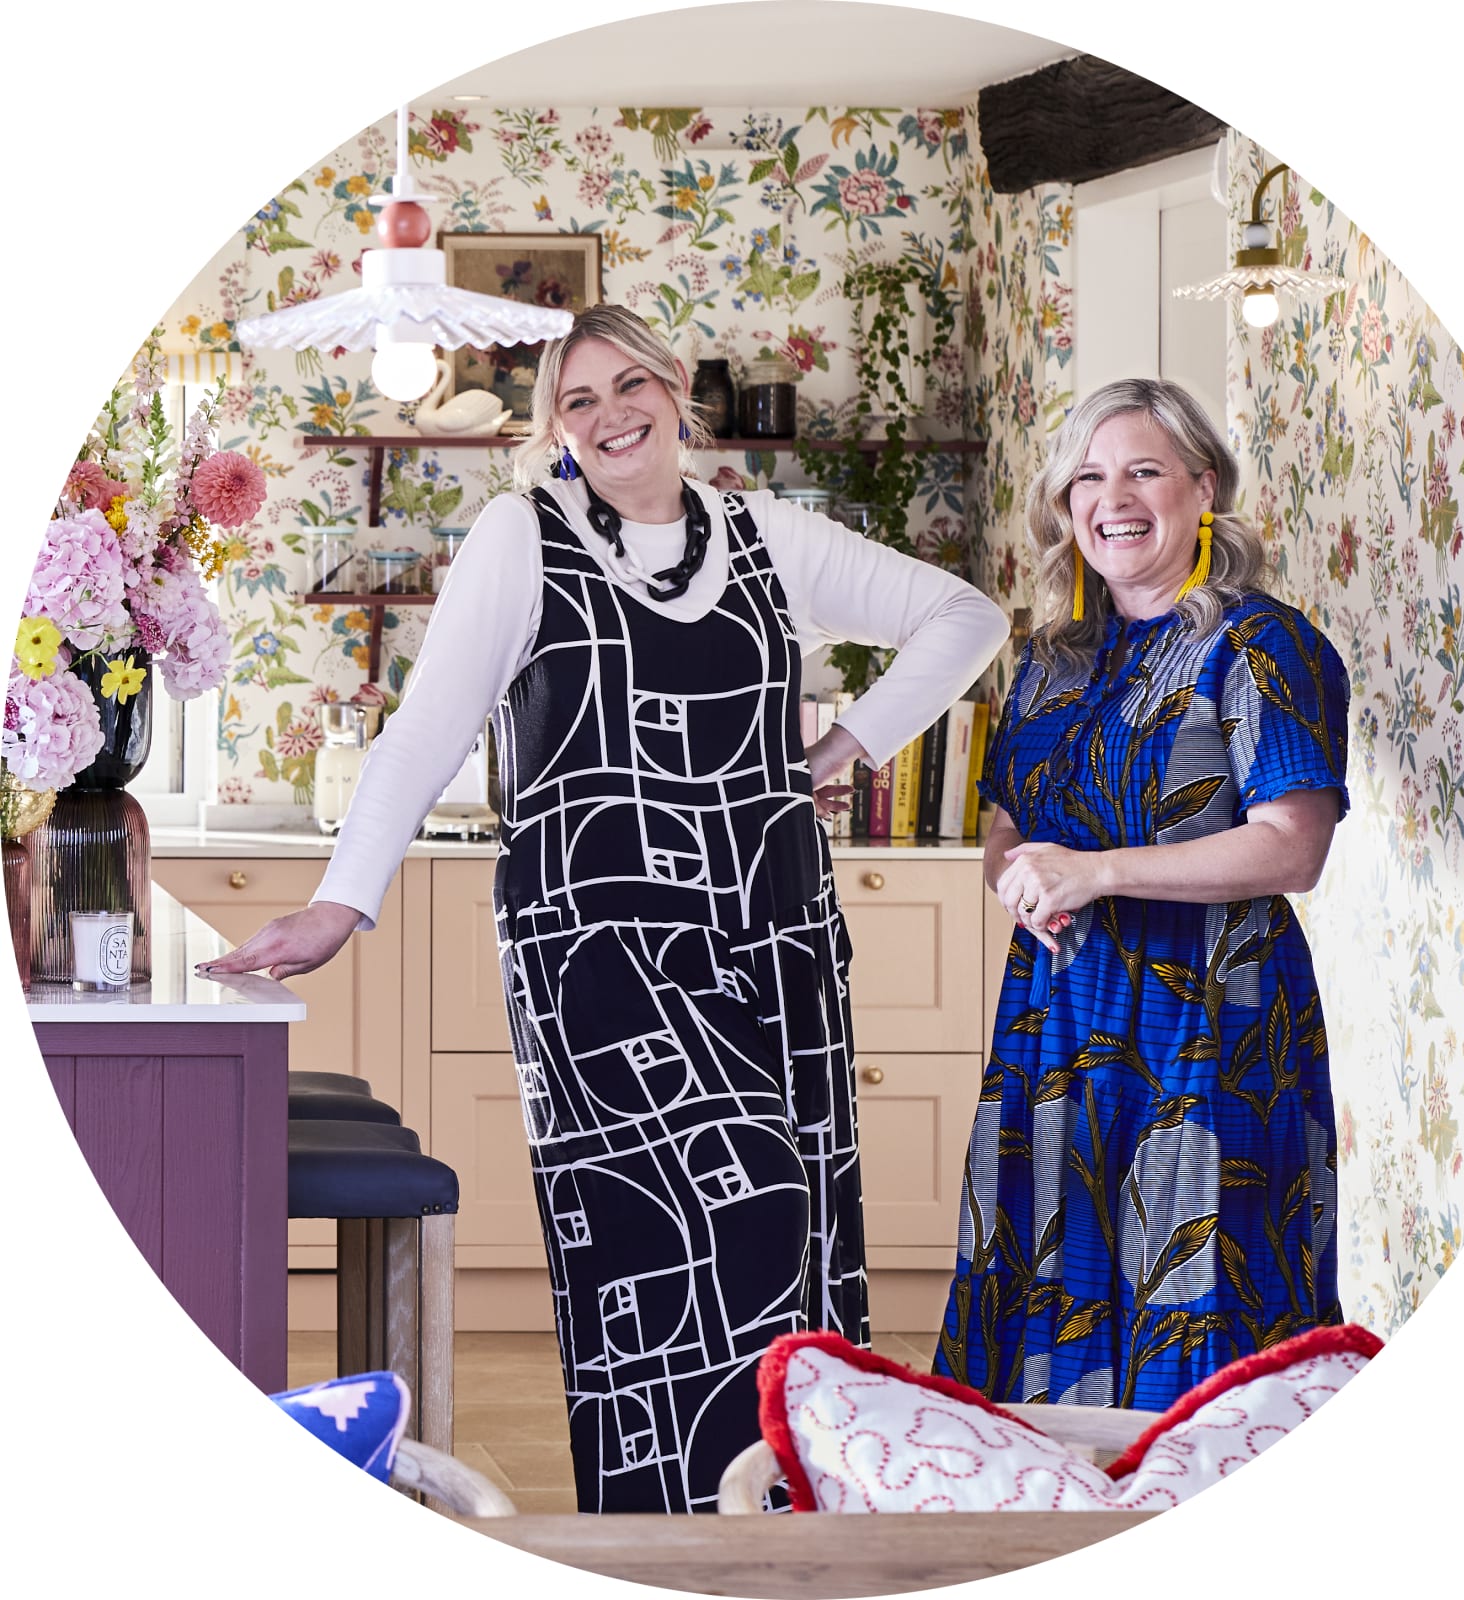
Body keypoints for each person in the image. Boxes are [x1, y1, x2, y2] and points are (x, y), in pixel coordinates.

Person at [202, 305, 1009, 1513]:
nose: (610, 414)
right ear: (554, 430)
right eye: (576, 402)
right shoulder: (519, 537)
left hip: (772, 927)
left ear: (678, 389)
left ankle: (765, 1540)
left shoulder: (763, 533)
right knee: (716, 1209)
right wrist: (340, 903)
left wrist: (843, 741)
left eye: (630, 384)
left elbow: (967, 618)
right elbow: (427, 730)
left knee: (786, 1248)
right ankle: (675, 1528)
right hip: (596, 942)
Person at [932, 378, 1349, 1414]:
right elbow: (1005, 829)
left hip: (1211, 1024)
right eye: (1088, 476)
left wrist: (1099, 870)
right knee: (1044, 1290)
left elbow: (1292, 848)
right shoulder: (1048, 661)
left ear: (1202, 487)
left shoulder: (1260, 644)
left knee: (1202, 1299)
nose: (1112, 497)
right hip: (1060, 1019)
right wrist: (1022, 883)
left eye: (1143, 470)